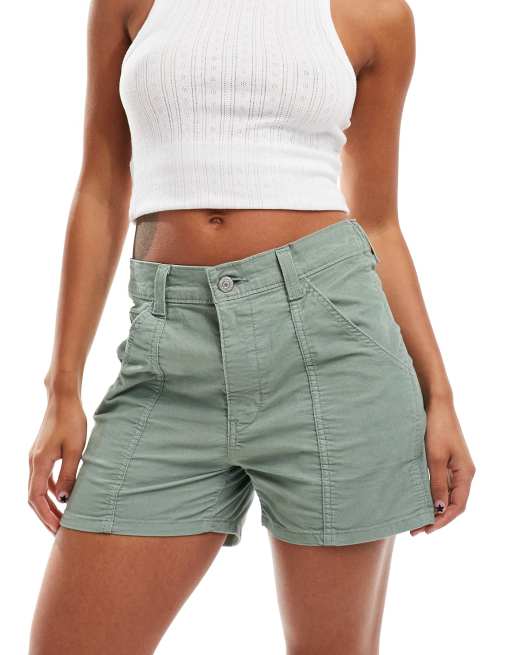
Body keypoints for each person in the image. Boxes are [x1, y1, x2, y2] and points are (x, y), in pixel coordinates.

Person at [28, 1, 475, 653]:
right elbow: (100, 187)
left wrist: (440, 396)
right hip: (167, 358)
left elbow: (376, 221)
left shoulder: (374, 15)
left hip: (331, 350)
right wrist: (62, 386)